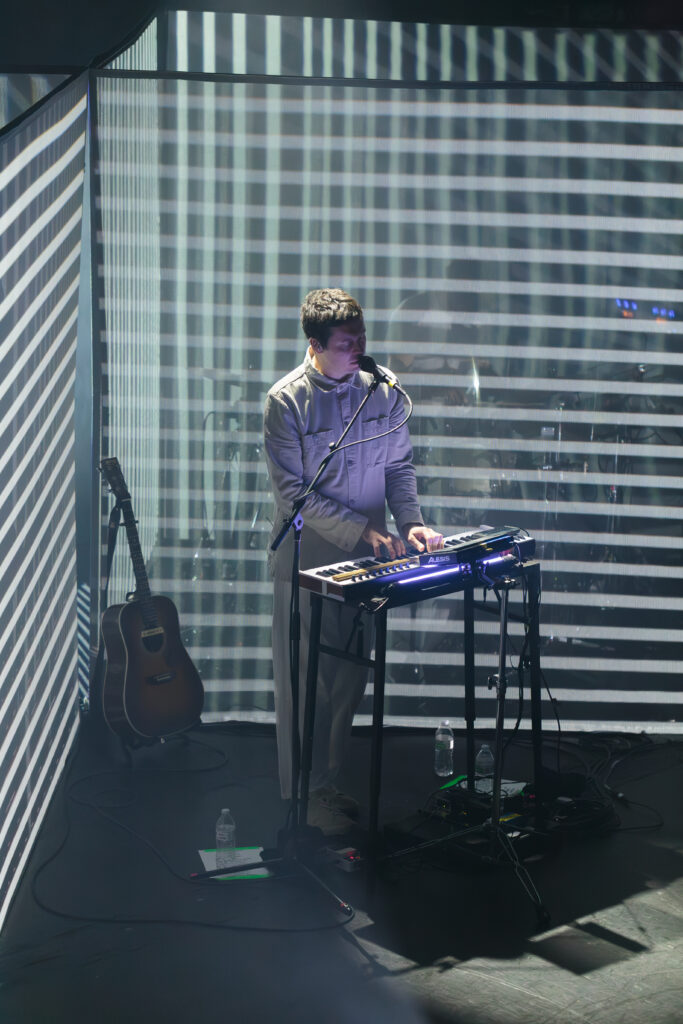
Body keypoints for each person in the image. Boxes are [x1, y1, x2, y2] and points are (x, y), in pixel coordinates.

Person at [263, 288, 443, 835]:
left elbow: (399, 469)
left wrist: (409, 521)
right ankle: (300, 797)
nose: (360, 348)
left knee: (346, 685)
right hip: (306, 560)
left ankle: (327, 784)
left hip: (366, 561)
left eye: (362, 338)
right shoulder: (285, 402)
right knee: (304, 684)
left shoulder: (381, 390)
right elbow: (294, 493)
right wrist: (359, 528)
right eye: (348, 343)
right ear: (315, 345)